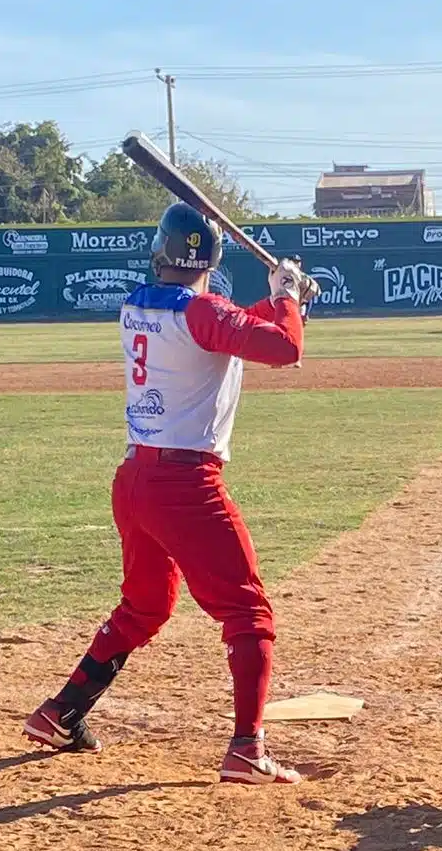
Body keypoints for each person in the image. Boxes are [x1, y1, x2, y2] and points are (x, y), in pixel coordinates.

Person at [24, 203, 313, 785]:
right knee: (248, 612)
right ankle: (247, 749)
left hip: (135, 481)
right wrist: (284, 295)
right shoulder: (203, 312)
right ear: (213, 259)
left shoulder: (139, 303)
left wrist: (287, 301)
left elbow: (235, 327)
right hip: (185, 484)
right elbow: (282, 348)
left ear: (160, 252)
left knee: (146, 605)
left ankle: (61, 713)